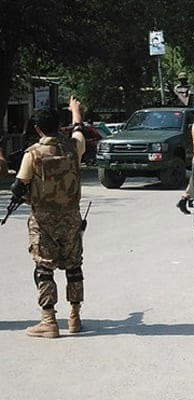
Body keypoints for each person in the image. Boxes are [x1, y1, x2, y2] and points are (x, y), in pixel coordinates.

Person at [12, 96, 86, 338]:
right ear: (59, 125)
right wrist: (76, 112)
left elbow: (19, 186)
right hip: (72, 218)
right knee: (74, 267)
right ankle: (74, 318)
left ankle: (49, 321)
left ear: (37, 128)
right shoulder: (74, 147)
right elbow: (78, 131)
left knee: (44, 269)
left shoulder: (33, 154)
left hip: (44, 221)